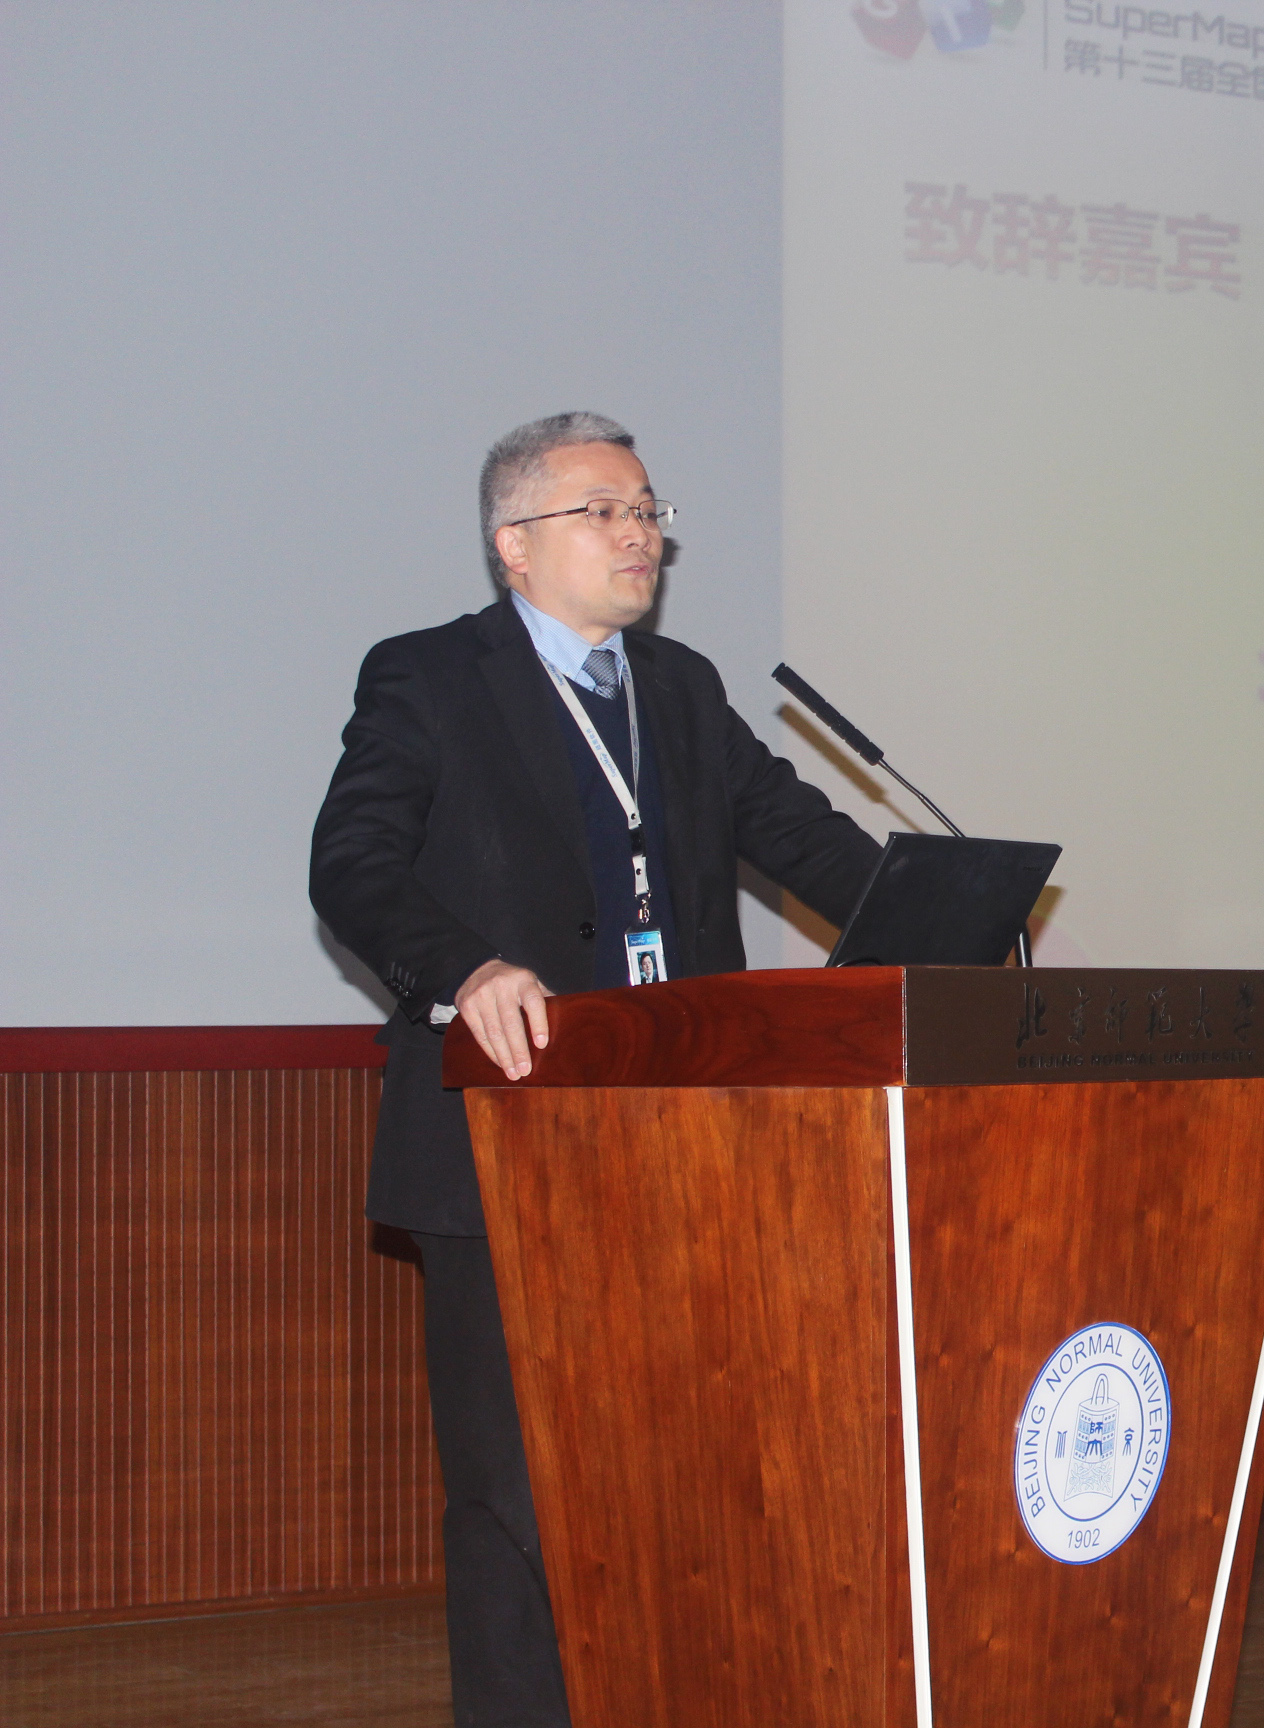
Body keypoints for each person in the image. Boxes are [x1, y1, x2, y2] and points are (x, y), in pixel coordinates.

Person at [310, 412, 880, 1727]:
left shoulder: (678, 689)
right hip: (504, 1134)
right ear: (514, 545)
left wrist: (954, 916)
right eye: (605, 511)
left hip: (683, 1142)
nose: (641, 535)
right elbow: (353, 865)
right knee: (517, 1490)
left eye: (649, 511)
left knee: (682, 1471)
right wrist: (464, 970)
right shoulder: (428, 678)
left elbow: (805, 841)